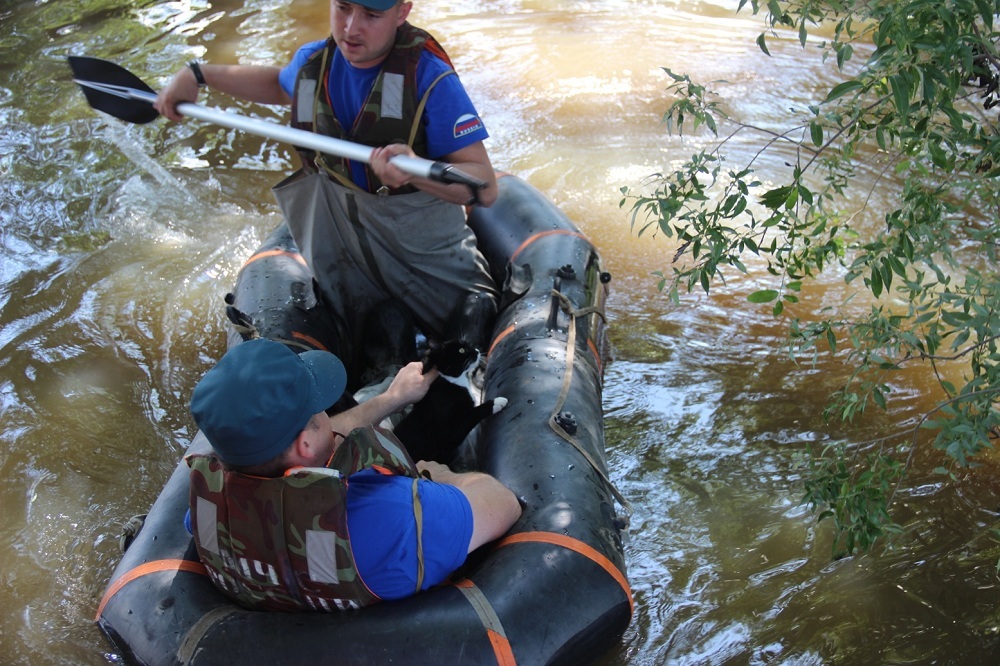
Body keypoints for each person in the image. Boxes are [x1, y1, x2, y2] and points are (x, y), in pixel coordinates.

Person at [155, 0, 500, 371]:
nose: (351, 27)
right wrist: (197, 74)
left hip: (427, 264)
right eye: (343, 8)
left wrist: (416, 170)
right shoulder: (313, 64)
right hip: (345, 269)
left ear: (402, 12)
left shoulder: (430, 78)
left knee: (468, 346)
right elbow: (278, 83)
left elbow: (484, 186)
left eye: (371, 15)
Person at [185, 338, 521, 612]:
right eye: (319, 406)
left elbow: (315, 439)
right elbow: (504, 505)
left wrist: (393, 398)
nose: (328, 415)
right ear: (303, 444)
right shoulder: (389, 515)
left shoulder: (205, 510)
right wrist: (444, 477)